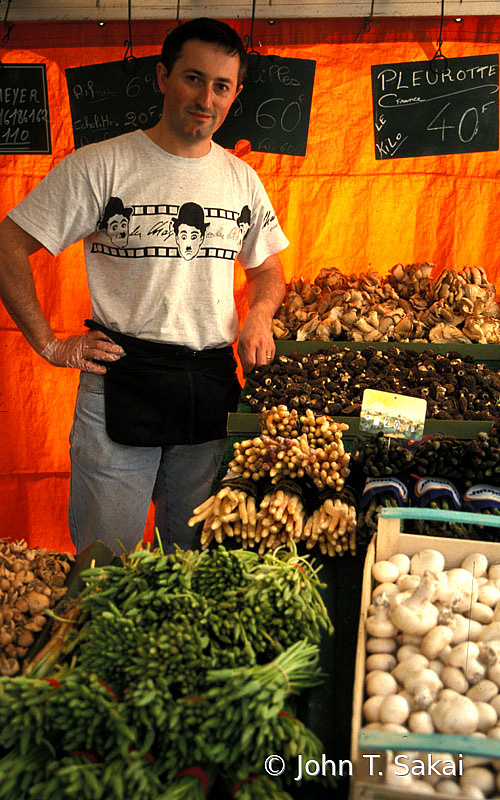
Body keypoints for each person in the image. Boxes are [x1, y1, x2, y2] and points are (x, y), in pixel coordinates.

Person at [0, 17, 288, 555]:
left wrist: (259, 313)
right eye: (193, 78)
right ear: (162, 76)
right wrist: (50, 344)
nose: (207, 98)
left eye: (221, 86)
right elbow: (7, 245)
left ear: (236, 94)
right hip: (122, 378)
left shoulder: (240, 178)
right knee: (105, 561)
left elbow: (268, 268)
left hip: (209, 383)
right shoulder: (101, 165)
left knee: (194, 559)